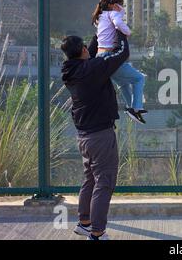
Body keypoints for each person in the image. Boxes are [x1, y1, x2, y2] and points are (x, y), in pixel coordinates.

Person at [61, 32, 130, 240]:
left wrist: (100, 30)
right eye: (84, 47)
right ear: (81, 51)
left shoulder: (71, 69)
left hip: (84, 136)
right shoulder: (94, 68)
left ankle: (84, 223)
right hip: (100, 135)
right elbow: (122, 53)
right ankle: (98, 233)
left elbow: (89, 53)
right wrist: (120, 33)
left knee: (90, 179)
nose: (87, 50)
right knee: (104, 181)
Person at [92, 0, 147, 124]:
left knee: (123, 83)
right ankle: (136, 107)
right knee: (139, 78)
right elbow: (118, 23)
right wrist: (128, 31)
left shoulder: (101, 16)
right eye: (120, 5)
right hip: (109, 56)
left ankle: (130, 107)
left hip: (100, 57)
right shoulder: (112, 13)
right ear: (113, 5)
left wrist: (119, 10)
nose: (121, 7)